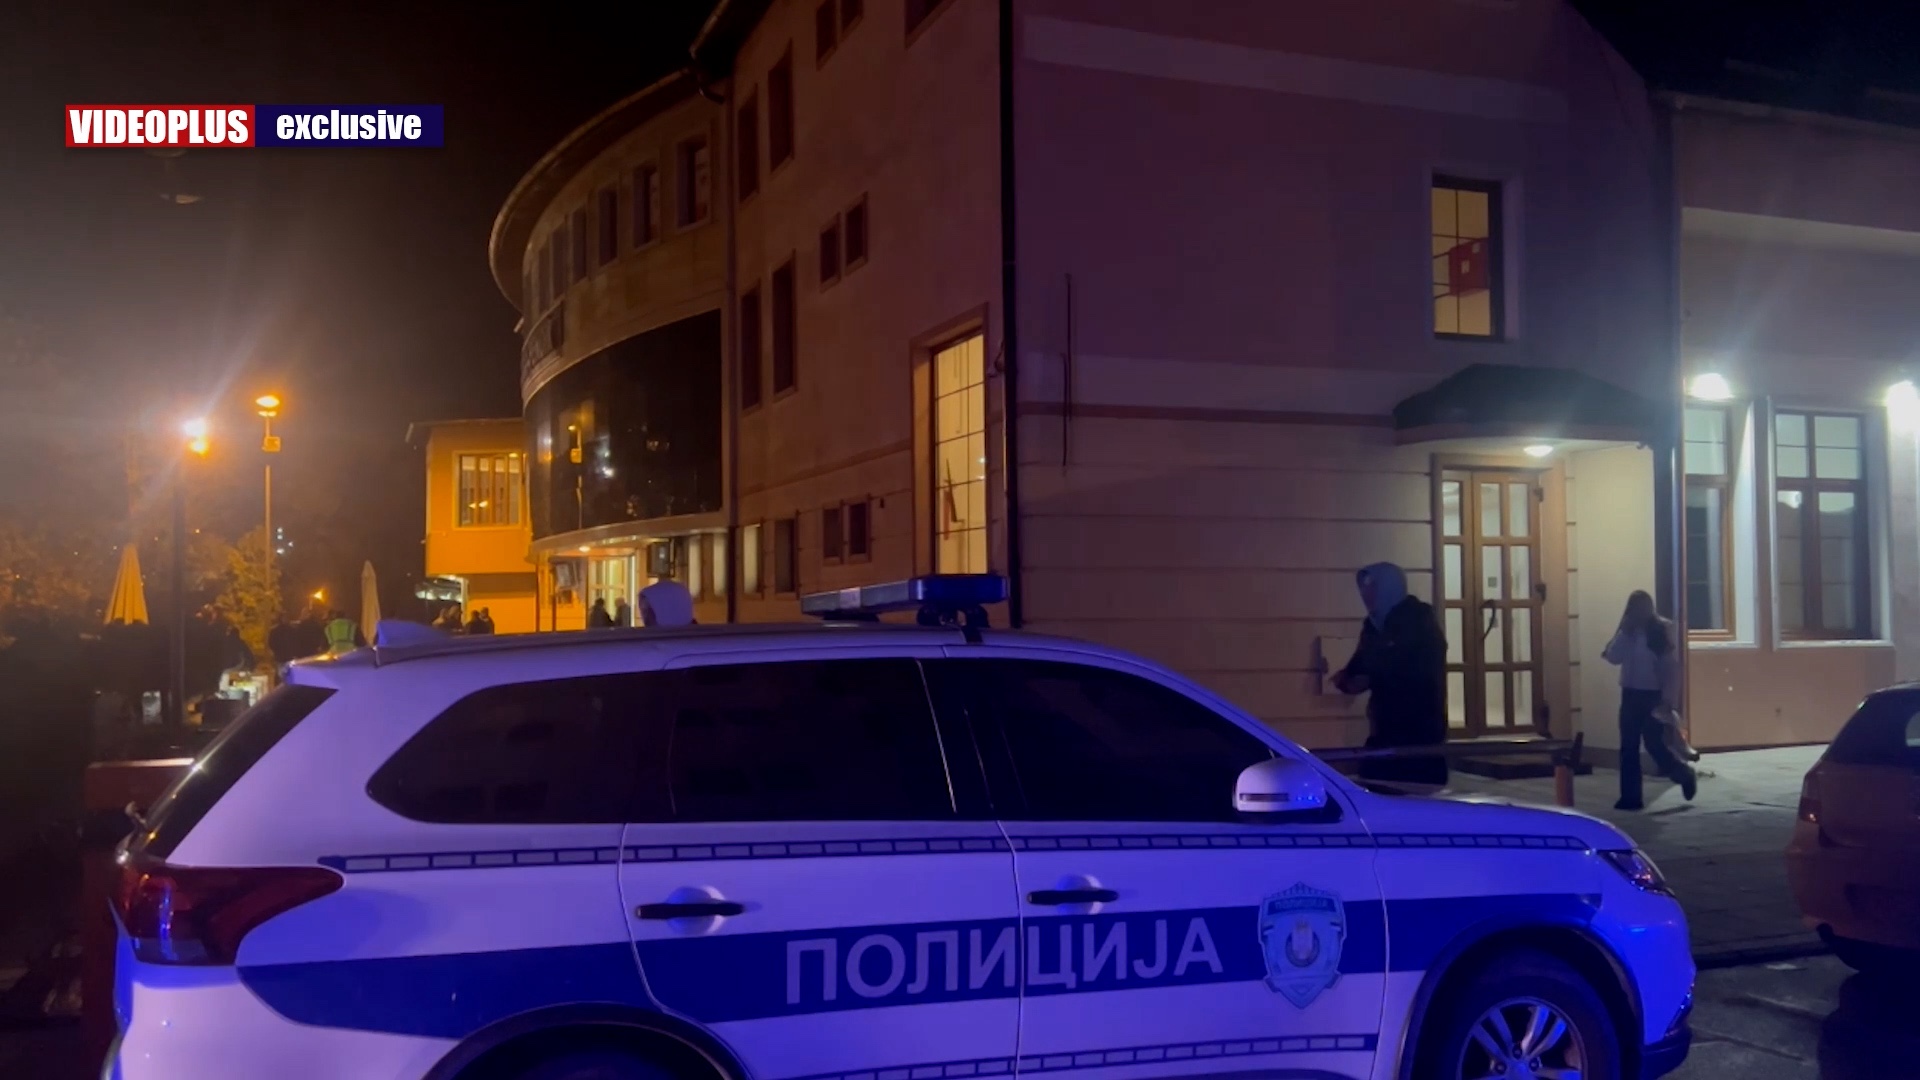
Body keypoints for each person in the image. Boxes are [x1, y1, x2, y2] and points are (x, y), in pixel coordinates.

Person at [1332, 562, 1449, 789]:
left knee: (1413, 792)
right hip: (1385, 728)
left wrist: (1372, 675)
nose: (1366, 595)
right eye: (1364, 589)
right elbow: (1360, 664)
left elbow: (1406, 666)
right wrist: (1347, 680)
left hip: (1419, 730)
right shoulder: (1373, 625)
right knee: (1376, 784)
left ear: (1388, 588)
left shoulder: (1417, 621)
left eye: (1372, 588)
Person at [1603, 590, 1697, 809]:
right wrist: (1624, 633)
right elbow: (1613, 657)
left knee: (1654, 744)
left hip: (1653, 696)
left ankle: (1683, 773)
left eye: (1643, 607)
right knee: (1628, 746)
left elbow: (1671, 668)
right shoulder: (1628, 631)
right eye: (1635, 608)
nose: (1640, 613)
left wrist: (1668, 699)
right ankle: (1631, 798)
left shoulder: (1662, 629)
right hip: (1630, 694)